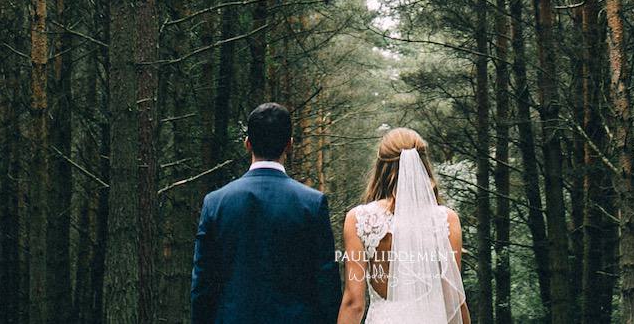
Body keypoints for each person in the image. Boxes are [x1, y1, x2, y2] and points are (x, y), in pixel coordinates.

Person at [190, 102, 343, 324]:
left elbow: (202, 286)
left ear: (247, 144)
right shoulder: (312, 204)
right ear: (289, 145)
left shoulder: (216, 203)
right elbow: (326, 284)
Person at [337, 128, 470, 324]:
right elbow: (453, 299)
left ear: (381, 166)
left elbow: (354, 303)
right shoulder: (446, 220)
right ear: (423, 165)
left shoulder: (359, 219)